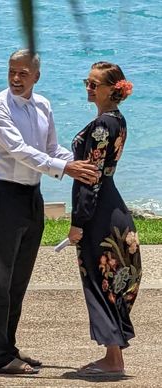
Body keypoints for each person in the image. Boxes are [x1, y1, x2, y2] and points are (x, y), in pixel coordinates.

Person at [0, 49, 99, 375]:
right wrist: (66, 168)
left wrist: (85, 161)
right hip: (4, 197)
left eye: (22, 73)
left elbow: (50, 150)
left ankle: (9, 347)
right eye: (11, 72)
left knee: (18, 281)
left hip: (32, 197)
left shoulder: (43, 105)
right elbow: (20, 151)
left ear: (36, 76)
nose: (15, 79)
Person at [68, 61, 142, 377]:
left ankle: (113, 360)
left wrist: (78, 222)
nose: (88, 87)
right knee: (108, 280)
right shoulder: (117, 121)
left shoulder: (101, 126)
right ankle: (113, 357)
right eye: (87, 81)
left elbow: (90, 178)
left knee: (101, 280)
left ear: (111, 90)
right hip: (113, 205)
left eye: (94, 84)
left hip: (99, 212)